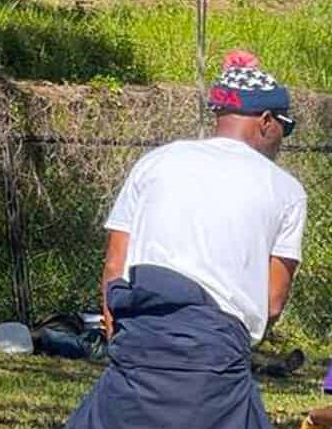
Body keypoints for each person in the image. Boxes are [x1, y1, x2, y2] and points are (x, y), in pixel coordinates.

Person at [64, 50, 307, 429]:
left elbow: (115, 266)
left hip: (137, 345)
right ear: (265, 121)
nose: (282, 141)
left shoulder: (156, 162)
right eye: (284, 128)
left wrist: (124, 345)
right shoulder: (286, 190)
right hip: (215, 361)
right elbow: (273, 301)